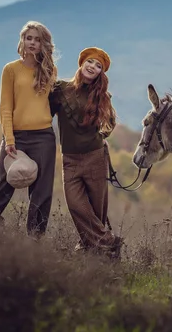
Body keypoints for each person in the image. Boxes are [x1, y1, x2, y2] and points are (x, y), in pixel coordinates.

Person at [0, 20, 58, 240]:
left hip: (44, 138)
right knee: (1, 186)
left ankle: (34, 242)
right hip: (15, 138)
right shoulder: (10, 69)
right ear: (22, 41)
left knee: (41, 193)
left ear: (43, 44)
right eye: (29, 38)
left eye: (37, 39)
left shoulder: (49, 70)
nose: (32, 43)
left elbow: (56, 103)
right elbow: (5, 107)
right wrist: (9, 139)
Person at [49, 46, 123, 258]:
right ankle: (110, 243)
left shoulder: (102, 96)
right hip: (70, 161)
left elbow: (110, 123)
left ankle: (96, 258)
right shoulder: (61, 90)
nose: (93, 67)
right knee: (76, 206)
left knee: (97, 213)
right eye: (90, 62)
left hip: (95, 159)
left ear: (101, 72)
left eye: (98, 66)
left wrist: (101, 137)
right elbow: (45, 114)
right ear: (82, 63)